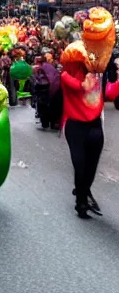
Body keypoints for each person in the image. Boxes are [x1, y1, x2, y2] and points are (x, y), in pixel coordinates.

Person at [61, 61, 104, 219]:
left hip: (95, 127)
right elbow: (73, 82)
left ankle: (83, 191)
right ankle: (81, 202)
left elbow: (111, 95)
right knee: (80, 166)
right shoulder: (67, 75)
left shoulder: (96, 76)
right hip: (76, 128)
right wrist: (84, 83)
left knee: (91, 168)